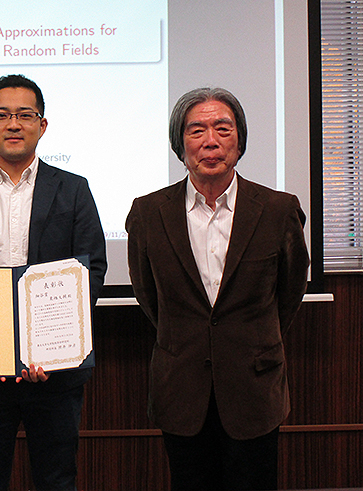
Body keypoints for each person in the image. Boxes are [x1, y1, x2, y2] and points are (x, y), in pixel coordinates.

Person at [126, 87, 310, 491]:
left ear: (239, 140)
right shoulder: (148, 213)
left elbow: (290, 293)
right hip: (181, 388)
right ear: (180, 144)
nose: (211, 141)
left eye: (222, 128)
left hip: (254, 388)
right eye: (197, 130)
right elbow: (149, 296)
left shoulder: (278, 210)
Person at [0, 74, 107, 491]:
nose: (14, 124)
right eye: (2, 115)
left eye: (25, 115)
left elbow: (93, 271)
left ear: (42, 125)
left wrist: (55, 347)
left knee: (57, 480)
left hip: (54, 374)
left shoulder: (74, 190)